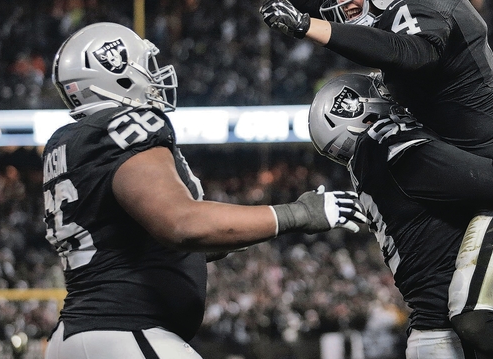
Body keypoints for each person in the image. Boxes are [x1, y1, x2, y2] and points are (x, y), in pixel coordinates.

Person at [208, 0, 493, 358]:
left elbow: (395, 46)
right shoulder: (400, 152)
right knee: (485, 318)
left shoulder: (374, 156)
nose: (339, 1)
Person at [42, 22, 366, 359]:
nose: (154, 76)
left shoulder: (70, 142)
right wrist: (298, 213)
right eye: (144, 65)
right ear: (116, 71)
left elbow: (157, 244)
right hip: (124, 332)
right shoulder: (125, 126)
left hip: (82, 335)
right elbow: (182, 224)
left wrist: (251, 230)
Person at [307, 72, 493, 359]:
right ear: (359, 111)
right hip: (452, 338)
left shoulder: (375, 161)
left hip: (450, 332)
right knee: (489, 320)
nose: (389, 94)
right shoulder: (389, 150)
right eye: (378, 91)